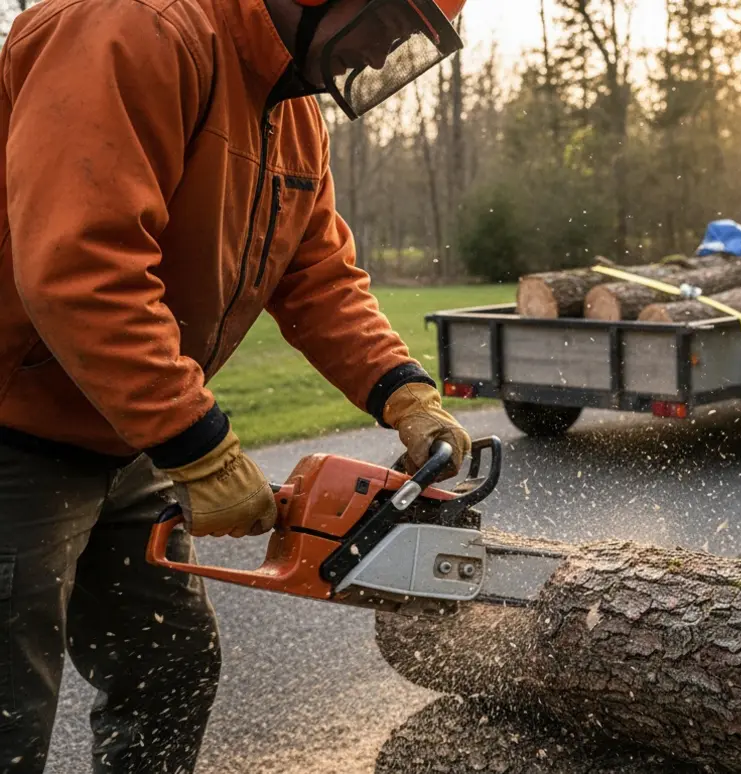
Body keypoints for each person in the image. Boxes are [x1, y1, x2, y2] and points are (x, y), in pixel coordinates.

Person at [0, 0, 471, 769]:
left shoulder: (287, 111)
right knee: (9, 709)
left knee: (170, 668)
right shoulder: (137, 27)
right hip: (14, 434)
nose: (390, 45)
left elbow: (317, 277)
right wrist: (202, 448)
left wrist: (402, 390)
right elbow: (82, 268)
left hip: (128, 436)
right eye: (393, 18)